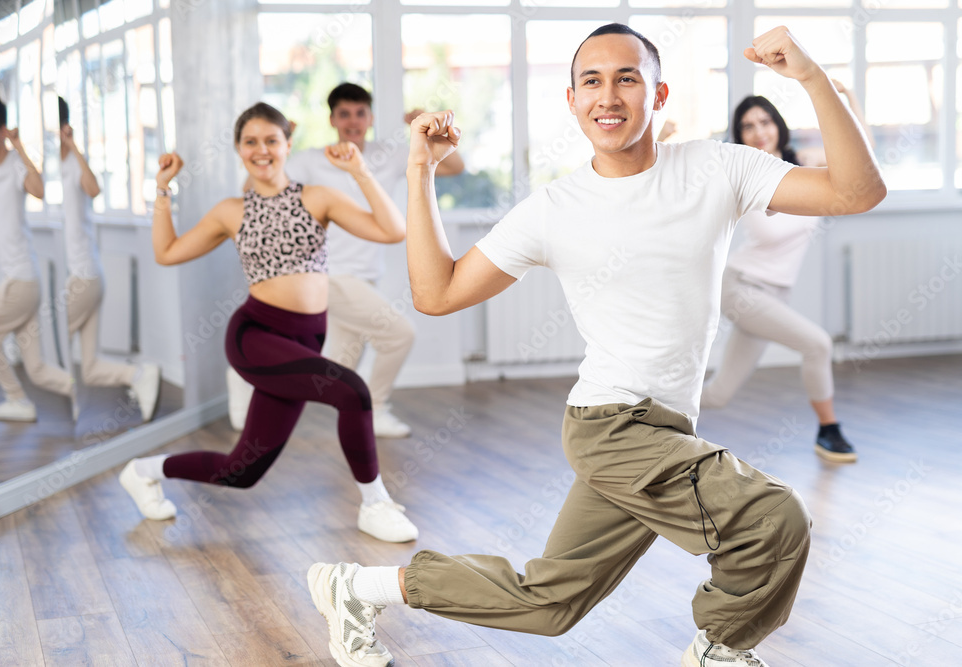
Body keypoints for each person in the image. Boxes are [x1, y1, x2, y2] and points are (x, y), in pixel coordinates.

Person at [307, 24, 885, 667]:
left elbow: (856, 192)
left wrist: (811, 78)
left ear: (658, 93)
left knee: (549, 603)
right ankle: (719, 649)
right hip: (613, 426)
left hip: (666, 427)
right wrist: (420, 169)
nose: (608, 95)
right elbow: (436, 292)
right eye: (592, 80)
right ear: (573, 100)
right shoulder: (553, 208)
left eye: (627, 78)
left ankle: (356, 588)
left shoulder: (718, 167)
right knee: (776, 517)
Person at [118, 102, 419, 544]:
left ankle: (143, 472)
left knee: (241, 470)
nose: (262, 150)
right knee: (352, 391)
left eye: (271, 140)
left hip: (305, 339)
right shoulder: (230, 211)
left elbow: (392, 230)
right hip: (255, 336)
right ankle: (375, 503)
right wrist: (162, 189)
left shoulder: (318, 197)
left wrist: (359, 172)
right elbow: (167, 253)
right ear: (239, 150)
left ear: (287, 145)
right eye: (250, 142)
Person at [227, 83, 465, 438]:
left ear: (369, 117)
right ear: (332, 119)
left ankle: (255, 378)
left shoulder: (390, 153)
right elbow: (252, 191)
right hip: (330, 275)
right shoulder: (309, 160)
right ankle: (376, 410)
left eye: (359, 113)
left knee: (334, 369)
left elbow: (454, 168)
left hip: (367, 275)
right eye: (344, 114)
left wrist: (427, 128)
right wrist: (277, 144)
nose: (352, 121)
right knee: (399, 335)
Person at [700, 92, 869, 464]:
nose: (758, 131)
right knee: (818, 344)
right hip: (741, 288)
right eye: (747, 125)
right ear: (739, 135)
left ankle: (644, 409)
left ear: (777, 124)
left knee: (718, 395)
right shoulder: (741, 175)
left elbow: (861, 162)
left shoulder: (804, 166)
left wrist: (850, 103)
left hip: (775, 295)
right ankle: (829, 431)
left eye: (764, 121)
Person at [0, 97, 75, 422]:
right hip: (22, 279)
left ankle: (16, 399)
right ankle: (76, 389)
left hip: (22, 279)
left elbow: (39, 190)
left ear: (1, 130)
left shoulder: (13, 163)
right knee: (36, 369)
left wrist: (18, 144)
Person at [58, 97, 161, 423]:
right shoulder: (56, 167)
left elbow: (95, 189)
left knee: (53, 340)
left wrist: (73, 145)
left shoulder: (74, 163)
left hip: (85, 277)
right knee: (89, 367)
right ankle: (140, 376)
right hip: (84, 276)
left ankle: (63, 411)